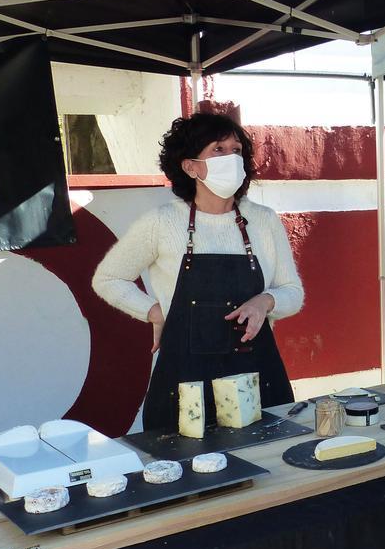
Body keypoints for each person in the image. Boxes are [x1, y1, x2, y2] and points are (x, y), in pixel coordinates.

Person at [92, 113, 304, 431]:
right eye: (218, 149)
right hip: (185, 387)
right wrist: (153, 311)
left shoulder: (263, 220)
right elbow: (108, 278)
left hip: (257, 381)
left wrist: (266, 301)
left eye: (236, 150)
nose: (231, 158)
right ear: (190, 166)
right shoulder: (162, 223)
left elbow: (292, 292)